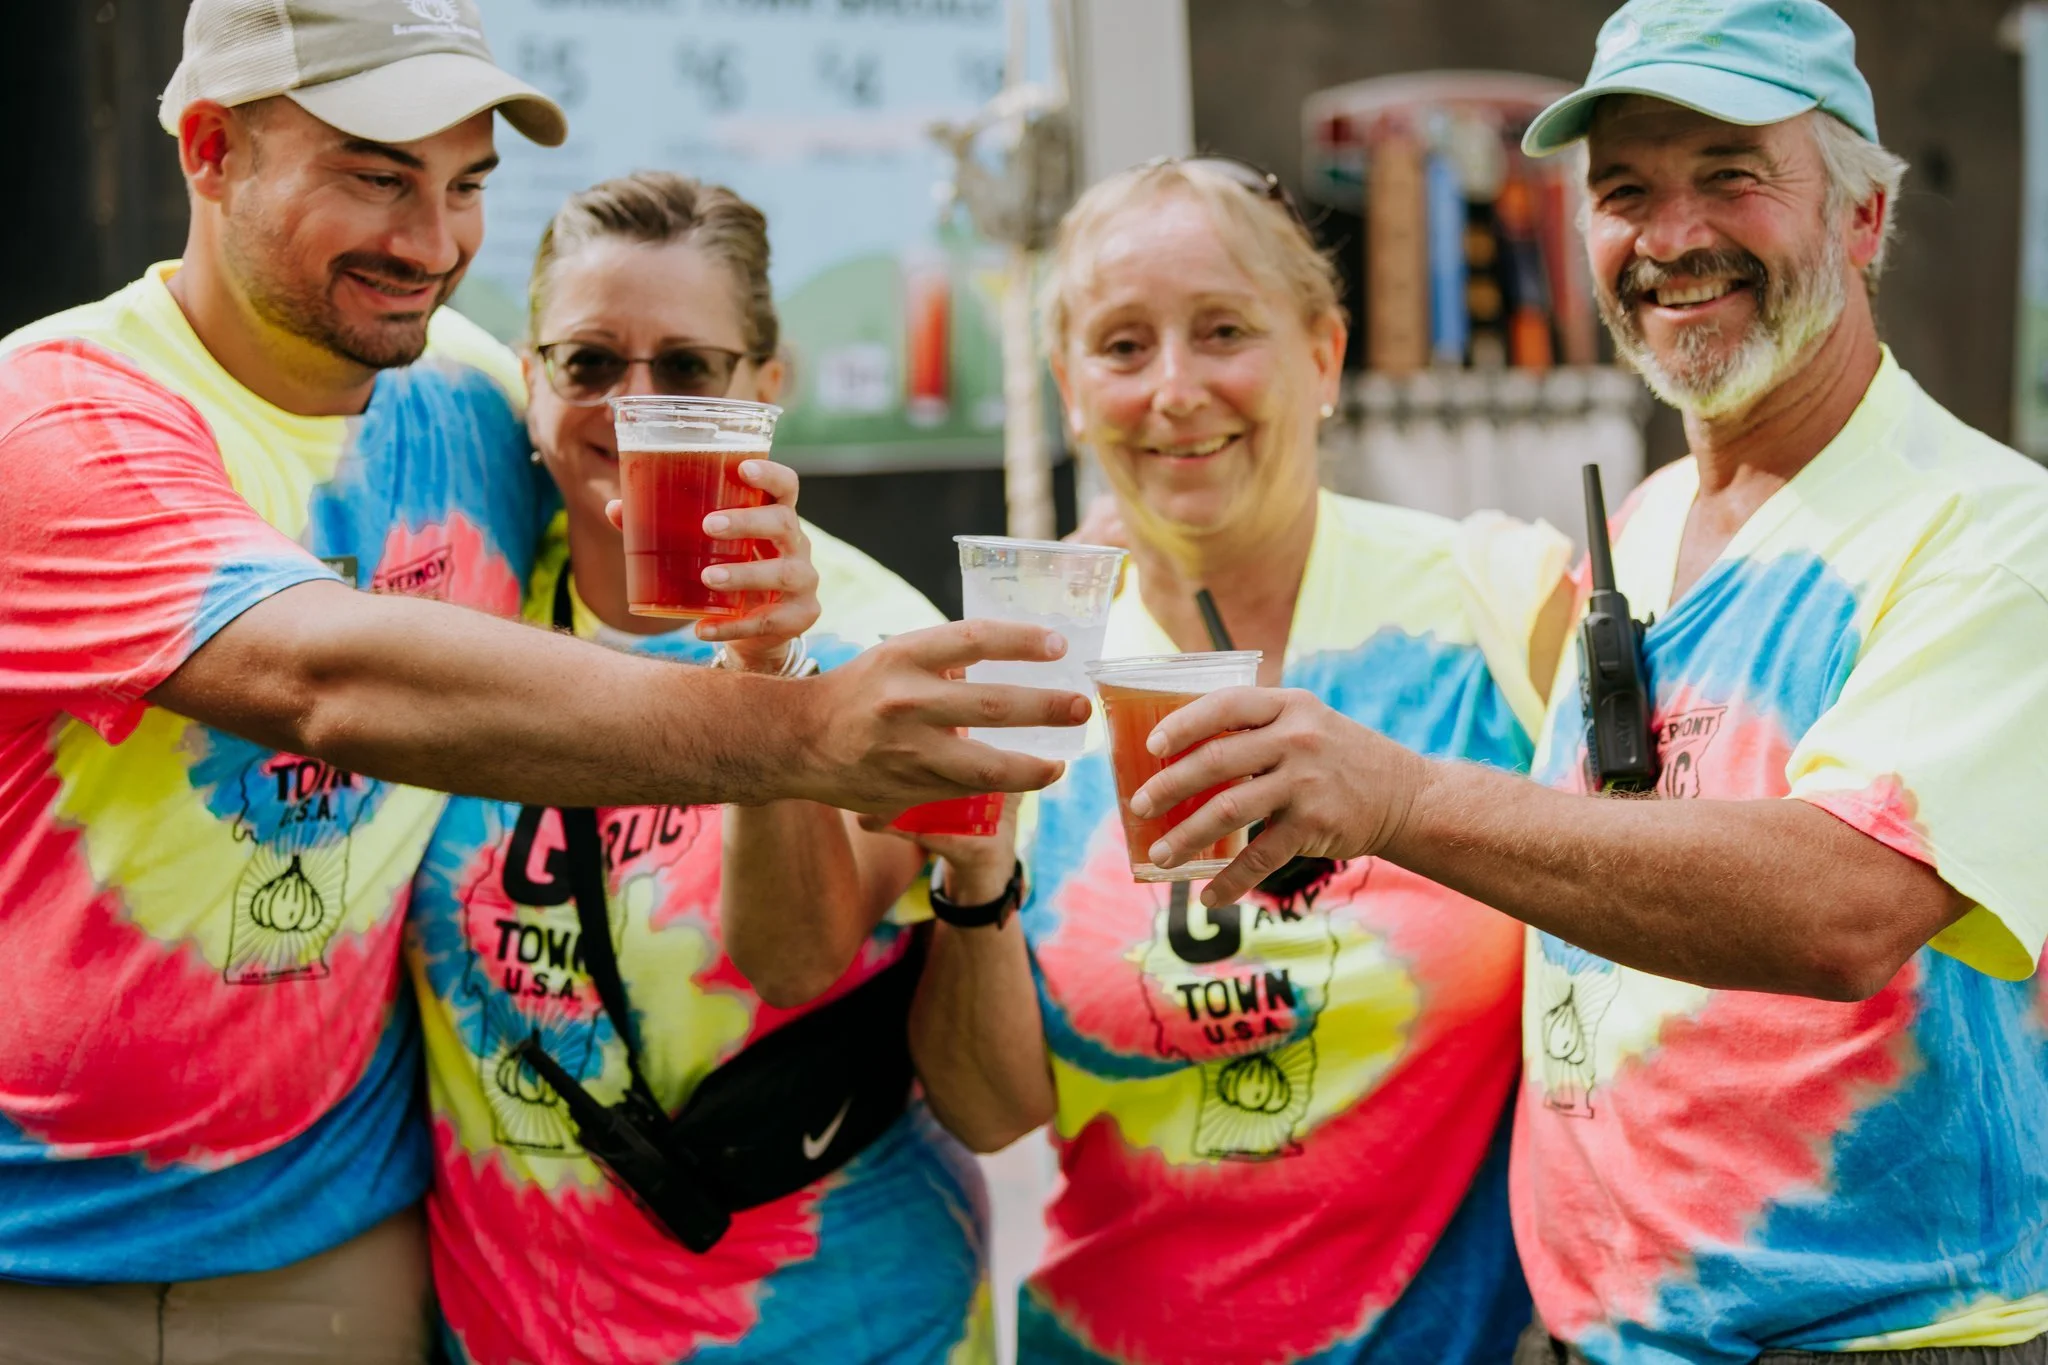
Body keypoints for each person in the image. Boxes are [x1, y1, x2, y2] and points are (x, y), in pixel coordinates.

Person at [0, 2, 1079, 1358]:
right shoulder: (64, 417)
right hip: (35, 1242)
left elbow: (824, 966)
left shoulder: (456, 398)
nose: (431, 240)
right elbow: (323, 675)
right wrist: (800, 725)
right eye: (376, 175)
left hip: (348, 1240)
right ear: (212, 151)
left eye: (464, 188)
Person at [1133, 2, 2048, 1361]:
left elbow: (1843, 906)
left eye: (1732, 175)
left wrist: (1393, 797)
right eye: (1626, 190)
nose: (1672, 235)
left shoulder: (1987, 533)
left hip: (1887, 1336)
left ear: (1862, 218)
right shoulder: (1654, 523)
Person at [900, 158, 1578, 1363]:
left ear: (1322, 356)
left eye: (1223, 332)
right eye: (1120, 346)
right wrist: (969, 879)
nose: (1173, 391)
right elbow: (995, 1112)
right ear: (1067, 388)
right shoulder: (1033, 666)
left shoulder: (1491, 607)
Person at [411, 171, 993, 1365]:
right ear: (530, 383)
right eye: (586, 363)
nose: (635, 409)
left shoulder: (876, 647)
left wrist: (764, 679)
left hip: (835, 1324)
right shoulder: (460, 612)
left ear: (763, 392)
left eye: (685, 369)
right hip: (517, 1330)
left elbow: (791, 961)